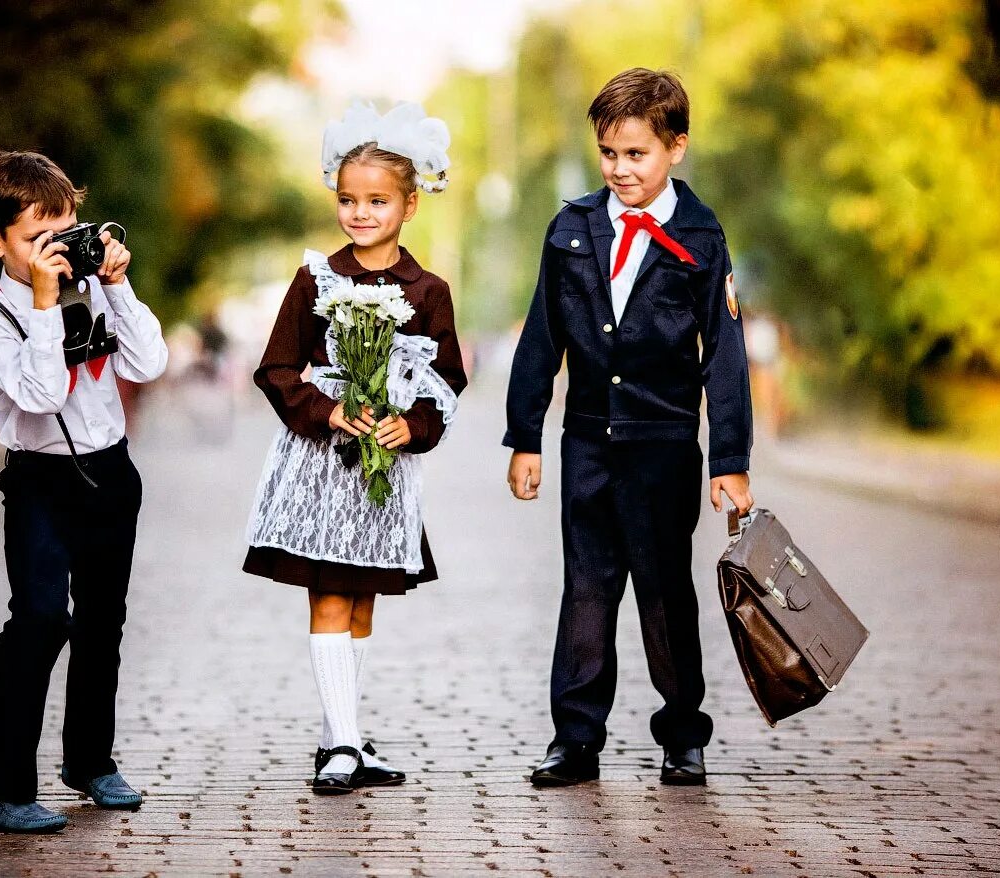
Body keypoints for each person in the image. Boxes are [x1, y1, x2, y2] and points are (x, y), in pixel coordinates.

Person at [503, 68, 755, 787]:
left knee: (665, 588)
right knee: (586, 588)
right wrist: (525, 436)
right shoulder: (572, 229)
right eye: (609, 153)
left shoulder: (701, 236)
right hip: (585, 440)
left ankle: (683, 735)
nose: (620, 169)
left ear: (675, 148)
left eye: (636, 154)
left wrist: (727, 458)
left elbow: (725, 352)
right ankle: (575, 738)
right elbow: (541, 338)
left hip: (665, 444)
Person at [243, 102, 466, 794]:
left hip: (384, 472)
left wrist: (414, 427)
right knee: (329, 597)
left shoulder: (428, 291)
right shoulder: (316, 279)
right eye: (347, 199)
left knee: (362, 600)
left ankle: (339, 739)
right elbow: (275, 369)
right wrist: (329, 410)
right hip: (322, 464)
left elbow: (448, 380)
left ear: (409, 204)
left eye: (376, 200)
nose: (360, 213)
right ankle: (342, 744)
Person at [0, 151, 169, 832]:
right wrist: (48, 308)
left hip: (111, 474)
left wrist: (115, 286)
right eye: (37, 239)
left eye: (67, 232)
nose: (56, 251)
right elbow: (42, 393)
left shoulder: (94, 290)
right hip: (40, 484)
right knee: (41, 619)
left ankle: (90, 761)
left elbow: (149, 362)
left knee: (104, 622)